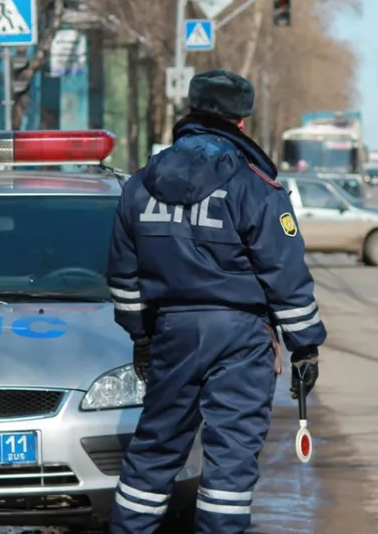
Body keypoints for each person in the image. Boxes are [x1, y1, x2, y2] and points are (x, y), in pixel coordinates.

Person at [106, 69, 326, 534]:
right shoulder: (256, 189)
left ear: (190, 111)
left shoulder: (139, 186)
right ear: (241, 122)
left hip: (172, 333)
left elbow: (124, 276)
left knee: (155, 449)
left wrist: (141, 334)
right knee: (230, 459)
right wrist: (305, 345)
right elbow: (284, 274)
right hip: (241, 338)